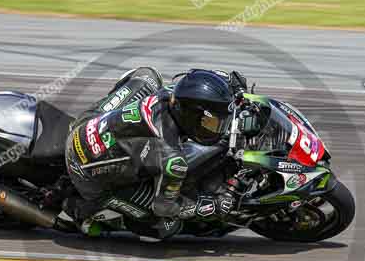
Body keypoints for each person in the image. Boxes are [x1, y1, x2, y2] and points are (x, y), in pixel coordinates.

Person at [64, 67, 250, 238]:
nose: (219, 128)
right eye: (214, 123)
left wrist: (228, 85)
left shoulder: (172, 95)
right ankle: (87, 213)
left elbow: (197, 81)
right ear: (191, 116)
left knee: (148, 76)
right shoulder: (172, 159)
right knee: (165, 226)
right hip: (87, 175)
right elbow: (165, 207)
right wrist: (209, 206)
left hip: (87, 124)